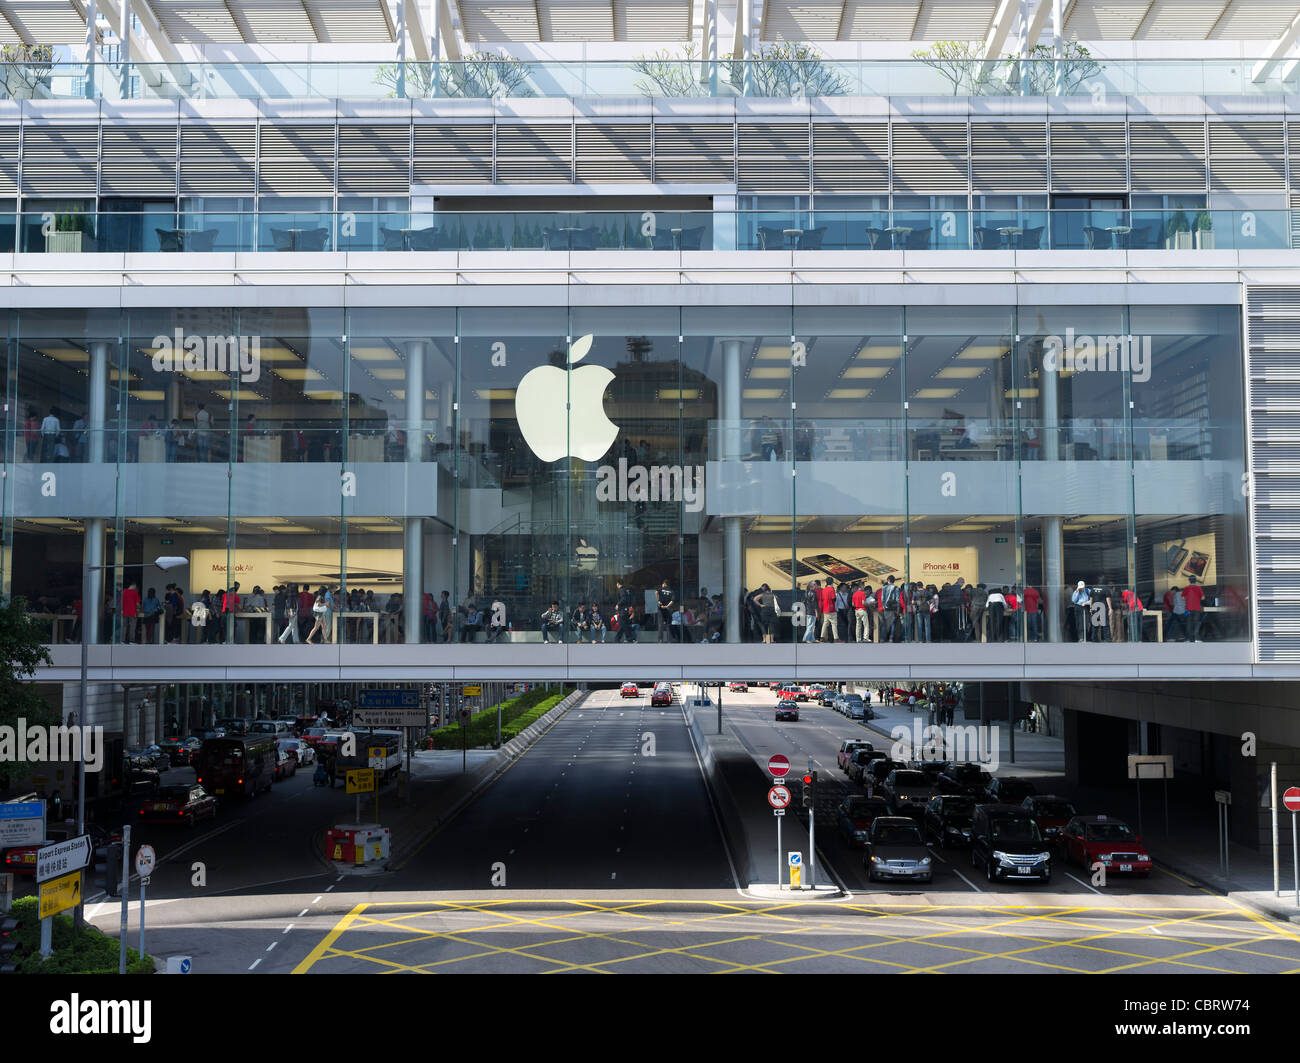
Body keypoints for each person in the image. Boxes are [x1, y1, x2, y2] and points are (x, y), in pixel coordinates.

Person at [1183, 576, 1206, 642]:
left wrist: (1189, 598)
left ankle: (1189, 639)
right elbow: (1203, 598)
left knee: (1188, 623)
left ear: (1189, 580)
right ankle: (1196, 638)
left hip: (1187, 609)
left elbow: (1183, 598)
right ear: (1195, 581)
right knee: (1196, 623)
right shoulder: (1198, 588)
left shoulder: (1186, 588)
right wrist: (1197, 598)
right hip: (1196, 608)